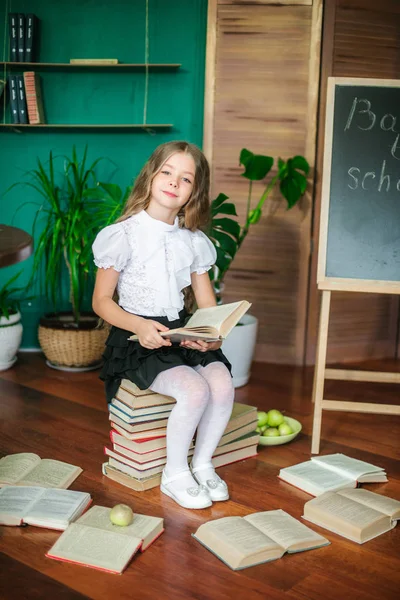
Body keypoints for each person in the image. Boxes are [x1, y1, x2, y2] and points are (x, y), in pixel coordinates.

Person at [92, 141, 235, 510]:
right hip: (135, 336)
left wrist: (211, 334)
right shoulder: (121, 235)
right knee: (194, 390)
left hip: (179, 332)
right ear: (151, 175)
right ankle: (175, 473)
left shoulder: (193, 241)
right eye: (167, 172)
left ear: (193, 193)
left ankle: (202, 463)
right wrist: (139, 326)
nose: (174, 182)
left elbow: (206, 304)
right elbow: (102, 301)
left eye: (185, 179)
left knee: (222, 383)